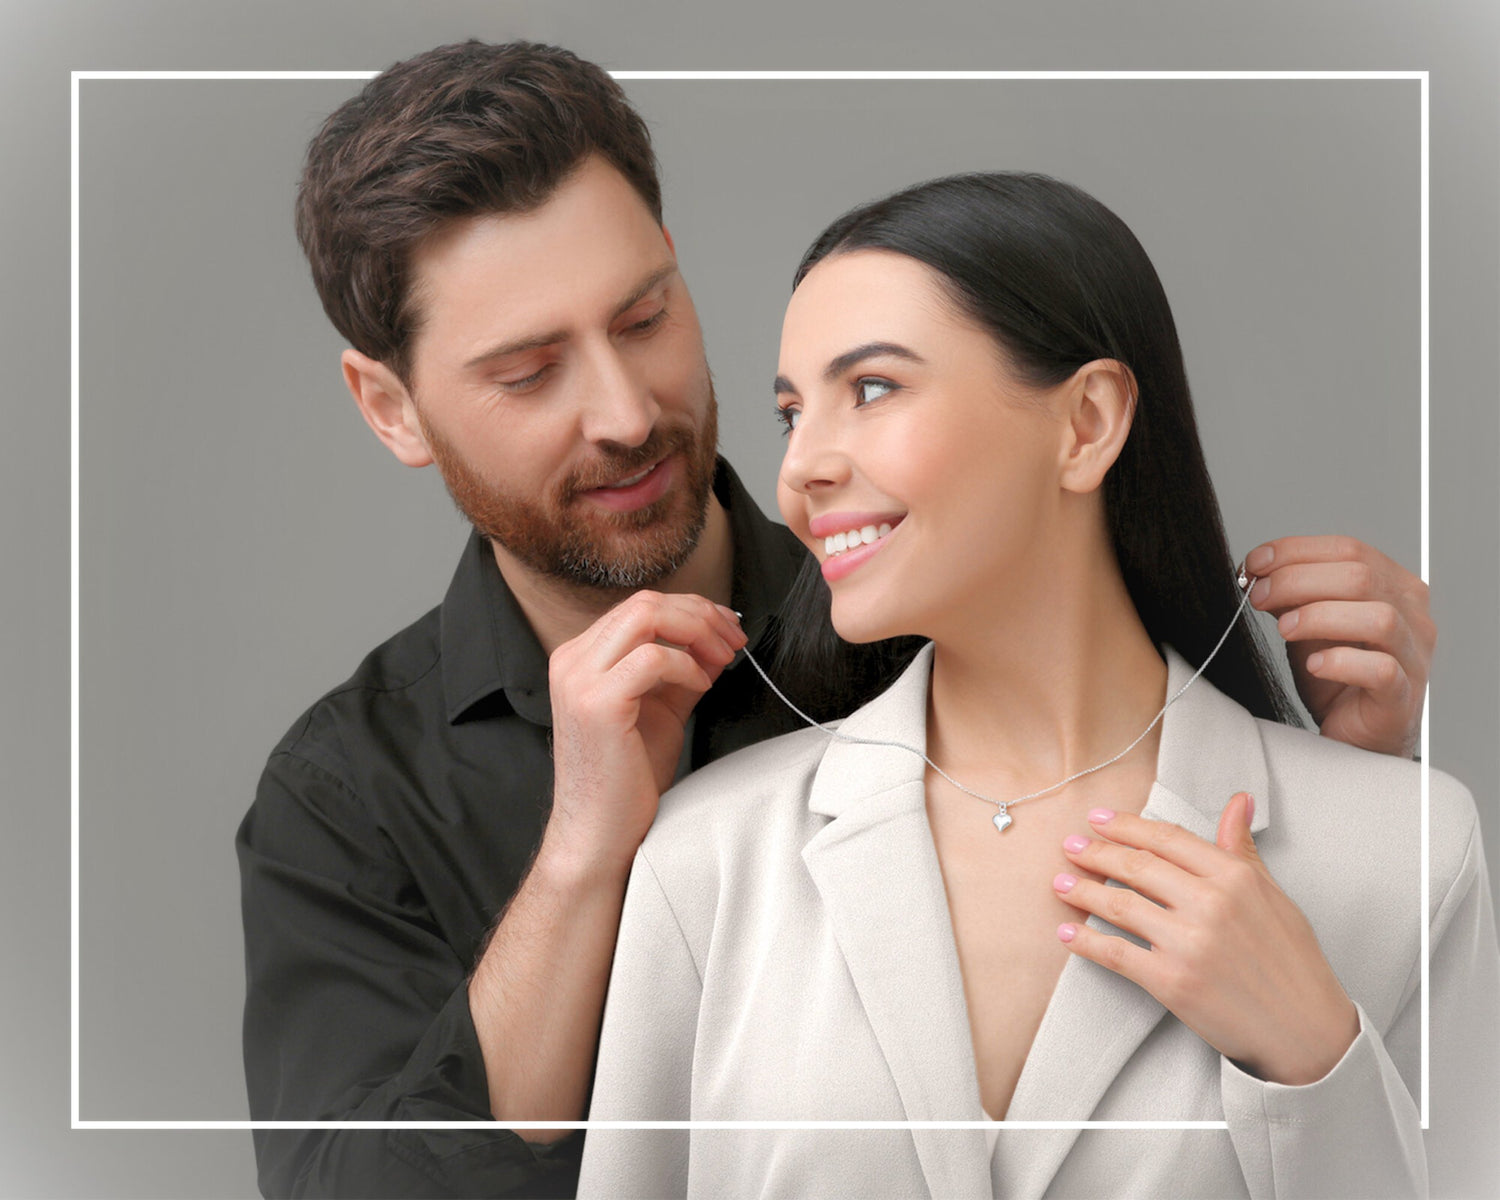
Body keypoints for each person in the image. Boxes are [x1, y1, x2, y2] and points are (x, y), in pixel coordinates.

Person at [236, 40, 1443, 1200]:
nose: (622, 410)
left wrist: (1342, 796)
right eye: (528, 371)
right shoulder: (350, 794)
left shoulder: (957, 589)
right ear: (390, 408)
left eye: (646, 316)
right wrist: (580, 865)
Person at [576, 173, 1498, 1198]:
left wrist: (1317, 1060)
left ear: (1088, 422)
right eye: (793, 412)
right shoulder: (708, 859)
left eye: (871, 388)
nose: (801, 469)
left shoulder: (1406, 851)